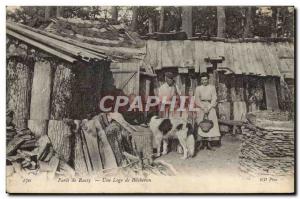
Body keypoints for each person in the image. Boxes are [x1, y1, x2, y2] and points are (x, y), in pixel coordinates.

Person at [194, 72, 221, 150]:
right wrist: (203, 107)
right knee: (200, 122)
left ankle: (209, 143)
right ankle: (201, 143)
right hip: (201, 106)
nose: (204, 81)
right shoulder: (198, 88)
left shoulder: (212, 87)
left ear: (208, 80)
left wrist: (208, 107)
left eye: (206, 79)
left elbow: (214, 98)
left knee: (211, 123)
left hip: (210, 106)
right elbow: (196, 99)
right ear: (201, 80)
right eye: (203, 80)